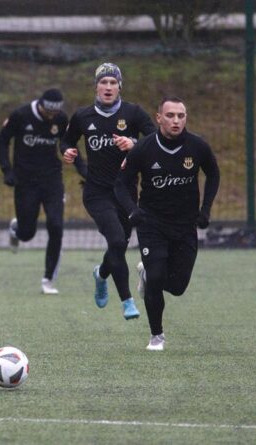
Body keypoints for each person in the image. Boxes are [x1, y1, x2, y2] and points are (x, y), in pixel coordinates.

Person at [115, 96, 220, 351]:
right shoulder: (143, 149)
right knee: (157, 276)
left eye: (181, 116)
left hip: (185, 225)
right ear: (159, 118)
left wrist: (205, 210)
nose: (176, 120)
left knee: (178, 286)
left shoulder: (198, 147)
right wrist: (132, 211)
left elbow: (214, 174)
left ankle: (146, 274)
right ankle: (156, 337)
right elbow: (120, 184)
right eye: (170, 115)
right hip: (152, 223)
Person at [62, 62, 156, 319]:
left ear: (119, 87)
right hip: (96, 192)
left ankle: (101, 273)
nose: (108, 87)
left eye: (113, 82)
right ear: (96, 87)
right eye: (103, 82)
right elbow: (67, 140)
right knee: (115, 240)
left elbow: (155, 140)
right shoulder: (83, 116)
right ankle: (127, 302)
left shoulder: (134, 113)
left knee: (119, 246)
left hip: (126, 193)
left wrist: (134, 143)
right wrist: (68, 152)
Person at [0, 88, 82, 295]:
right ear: (41, 105)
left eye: (55, 113)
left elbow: (67, 143)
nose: (51, 116)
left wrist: (83, 169)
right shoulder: (21, 115)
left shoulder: (60, 118)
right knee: (27, 234)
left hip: (52, 180)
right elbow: (2, 140)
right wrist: (7, 170)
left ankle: (48, 280)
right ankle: (16, 229)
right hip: (26, 182)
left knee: (56, 225)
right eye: (48, 112)